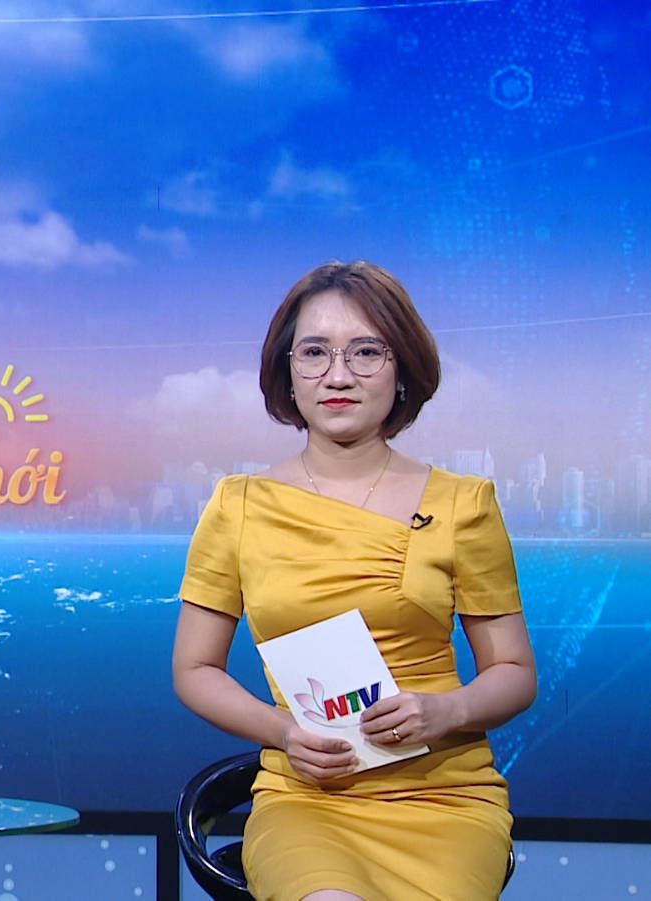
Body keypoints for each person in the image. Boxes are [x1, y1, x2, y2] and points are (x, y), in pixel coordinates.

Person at [172, 261, 537, 901]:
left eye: (366, 352)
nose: (338, 375)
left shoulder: (463, 504)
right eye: (314, 352)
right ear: (287, 371)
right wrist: (283, 732)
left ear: (403, 370)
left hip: (443, 795)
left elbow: (514, 672)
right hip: (308, 797)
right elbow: (195, 669)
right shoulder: (238, 505)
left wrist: (445, 710)